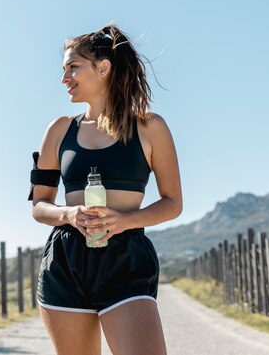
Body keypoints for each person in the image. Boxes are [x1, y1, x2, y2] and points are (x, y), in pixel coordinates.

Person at [29, 24, 182, 355]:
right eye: (64, 68)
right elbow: (39, 206)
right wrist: (69, 214)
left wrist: (124, 221)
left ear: (103, 67)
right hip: (66, 259)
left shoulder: (149, 127)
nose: (64, 77)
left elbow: (172, 203)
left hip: (125, 258)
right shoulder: (58, 130)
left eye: (73, 66)